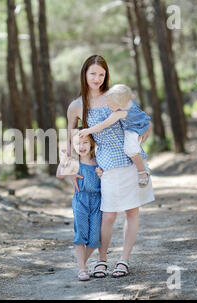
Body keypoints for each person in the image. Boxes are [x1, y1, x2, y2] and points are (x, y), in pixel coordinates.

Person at [66, 54, 154, 278]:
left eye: (102, 74)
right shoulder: (77, 106)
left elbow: (143, 120)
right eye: (93, 73)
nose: (97, 78)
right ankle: (101, 260)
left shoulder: (115, 96)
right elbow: (70, 140)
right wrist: (71, 169)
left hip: (130, 162)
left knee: (132, 212)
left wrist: (143, 135)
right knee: (108, 215)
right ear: (84, 74)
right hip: (105, 165)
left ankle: (124, 260)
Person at [79, 84, 152, 187]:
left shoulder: (120, 113)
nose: (108, 106)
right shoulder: (129, 101)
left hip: (135, 129)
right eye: (107, 103)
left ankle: (143, 171)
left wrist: (88, 131)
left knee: (130, 149)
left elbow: (103, 125)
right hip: (142, 123)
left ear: (121, 104)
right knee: (133, 147)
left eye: (111, 105)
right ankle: (143, 167)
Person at [57, 129, 103, 281]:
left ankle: (80, 264)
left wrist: (102, 175)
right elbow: (59, 174)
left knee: (95, 238)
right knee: (81, 234)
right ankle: (82, 268)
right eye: (78, 143)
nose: (81, 146)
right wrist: (64, 160)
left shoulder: (99, 160)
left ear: (92, 143)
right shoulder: (74, 162)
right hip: (81, 200)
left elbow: (108, 178)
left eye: (85, 142)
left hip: (97, 201)